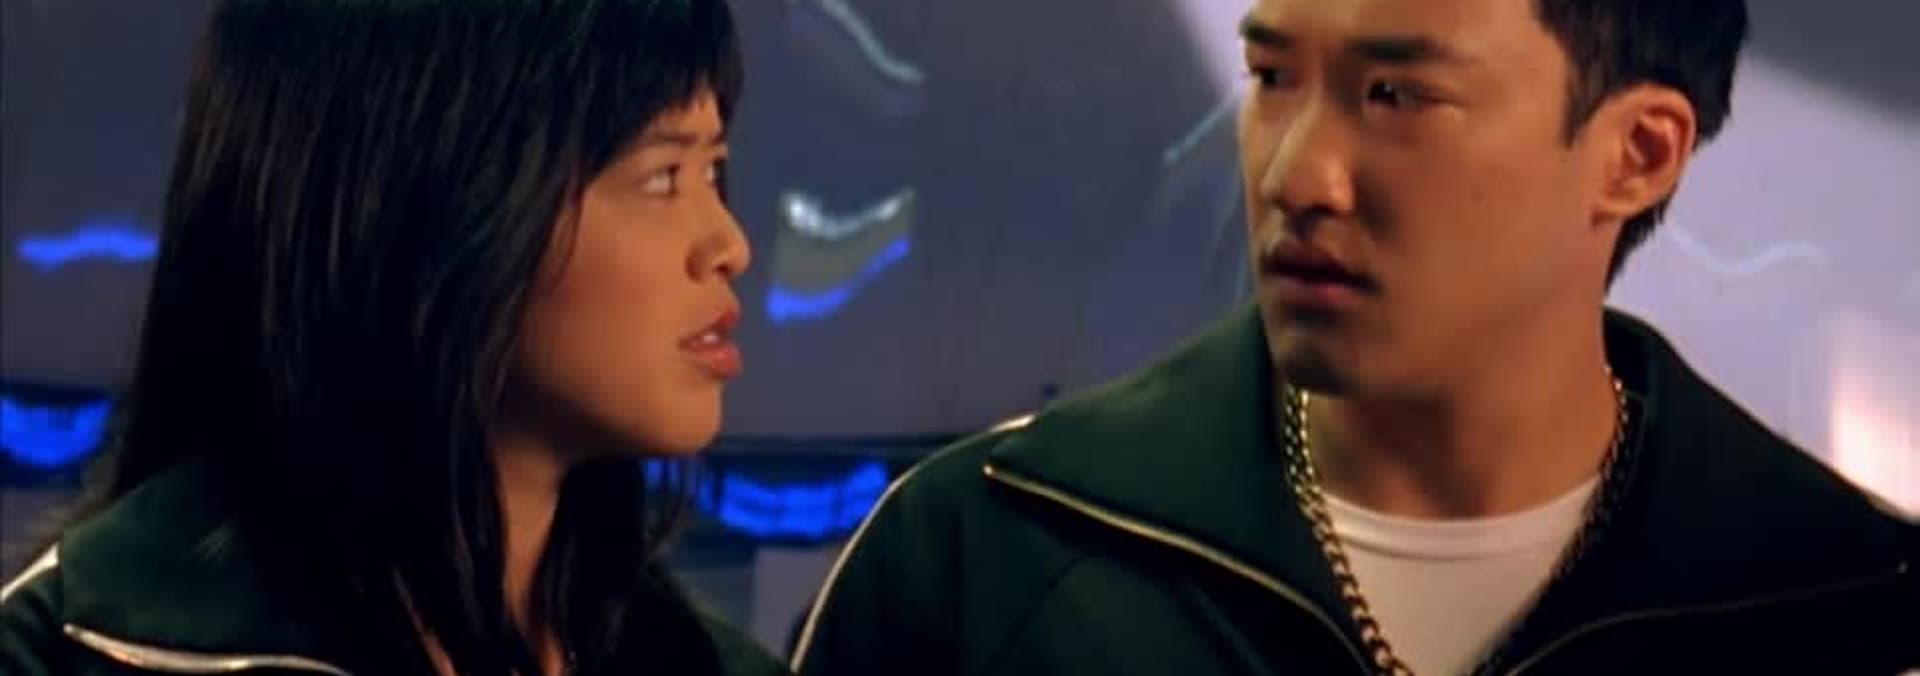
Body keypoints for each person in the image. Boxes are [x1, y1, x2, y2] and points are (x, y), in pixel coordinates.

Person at [790, 0, 1918, 674]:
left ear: (1639, 154)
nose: (1295, 176)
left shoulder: (1850, 602)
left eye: (1395, 94)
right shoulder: (985, 553)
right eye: (1272, 77)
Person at [0, 1, 784, 674]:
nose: (729, 245)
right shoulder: (75, 650)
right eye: (662, 177)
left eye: (713, 171)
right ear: (439, 193)